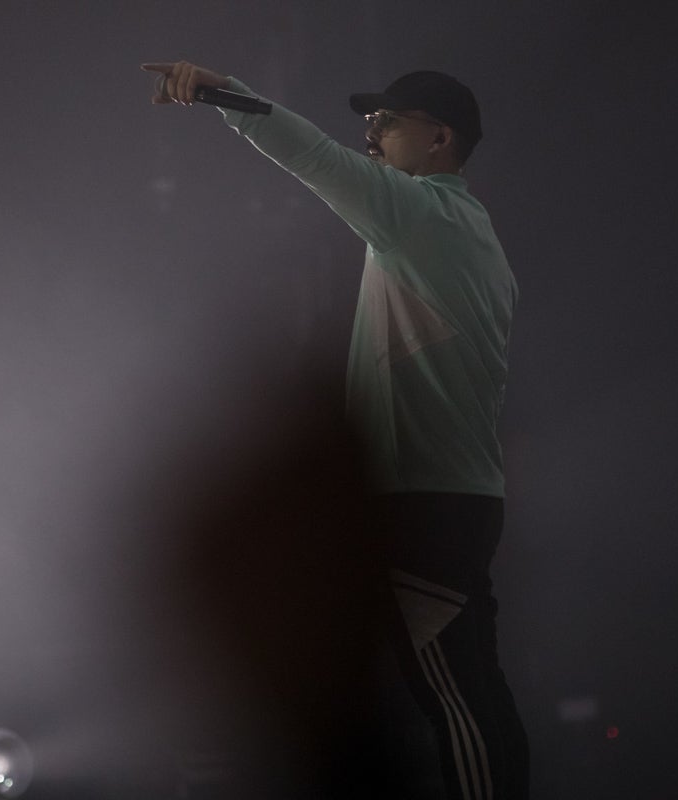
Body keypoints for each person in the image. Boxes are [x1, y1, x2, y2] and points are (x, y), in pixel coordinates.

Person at [142, 60, 527, 799]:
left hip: (421, 501)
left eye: (387, 122)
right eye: (369, 122)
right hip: (453, 496)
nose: (370, 135)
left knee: (457, 701)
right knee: (464, 693)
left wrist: (226, 95)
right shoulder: (468, 233)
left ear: (439, 138)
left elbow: (316, 157)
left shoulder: (423, 215)